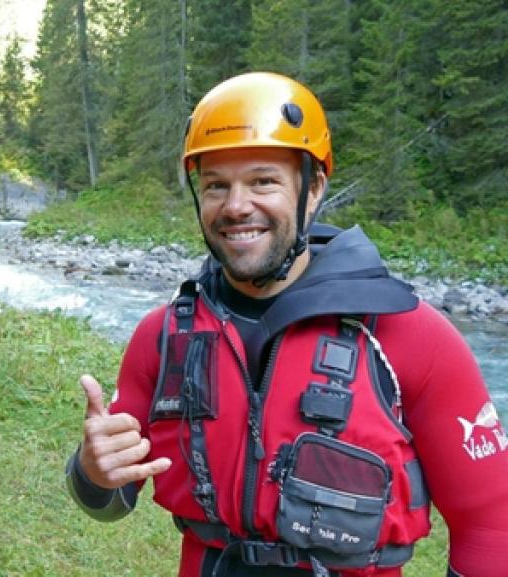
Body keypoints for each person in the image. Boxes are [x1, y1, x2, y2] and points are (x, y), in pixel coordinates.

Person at [65, 71, 508, 577]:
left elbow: (492, 526)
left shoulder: (411, 339)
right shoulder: (164, 337)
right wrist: (94, 471)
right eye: (215, 186)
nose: (236, 206)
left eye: (262, 181)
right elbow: (107, 502)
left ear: (313, 187)